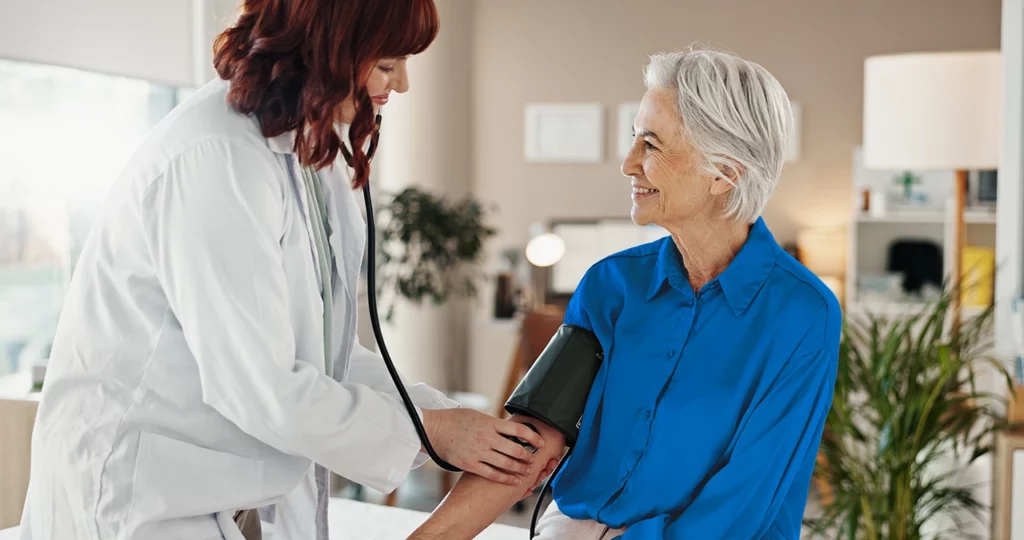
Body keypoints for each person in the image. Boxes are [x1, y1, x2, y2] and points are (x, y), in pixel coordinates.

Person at [17, 1, 551, 539]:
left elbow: (325, 354)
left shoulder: (308, 155)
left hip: (210, 491)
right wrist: (433, 431)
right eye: (387, 65)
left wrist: (449, 424)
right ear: (328, 50)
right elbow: (261, 386)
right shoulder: (215, 156)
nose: (403, 85)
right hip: (132, 496)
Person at [407, 47, 842, 540]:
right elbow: (533, 440)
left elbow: (742, 507)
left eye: (651, 144)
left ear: (726, 172)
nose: (628, 164)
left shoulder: (802, 313)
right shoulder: (610, 285)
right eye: (634, 138)